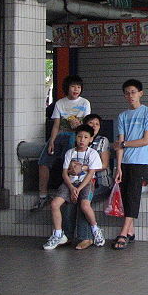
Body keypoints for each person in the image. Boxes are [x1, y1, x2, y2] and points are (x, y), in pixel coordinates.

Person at [32, 75, 90, 211]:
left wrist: (79, 125)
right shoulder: (60, 103)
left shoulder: (85, 103)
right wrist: (51, 140)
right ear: (67, 88)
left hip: (76, 136)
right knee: (43, 162)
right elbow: (56, 126)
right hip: (60, 136)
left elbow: (87, 125)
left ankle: (69, 192)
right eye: (73, 86)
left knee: (69, 163)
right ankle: (43, 196)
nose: (76, 89)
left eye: (79, 87)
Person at [42, 124, 104, 250]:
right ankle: (58, 234)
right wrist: (71, 188)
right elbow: (64, 172)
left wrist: (78, 189)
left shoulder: (93, 154)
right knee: (55, 204)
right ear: (75, 137)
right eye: (79, 136)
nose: (82, 140)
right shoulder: (70, 152)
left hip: (86, 184)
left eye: (86, 137)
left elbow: (91, 174)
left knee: (85, 205)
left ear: (91, 139)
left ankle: (95, 229)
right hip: (69, 183)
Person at [112, 79, 148, 250]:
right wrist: (118, 166)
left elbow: (145, 140)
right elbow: (120, 142)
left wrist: (123, 145)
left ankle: (123, 233)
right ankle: (131, 231)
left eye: (133, 92)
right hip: (125, 162)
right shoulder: (122, 116)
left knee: (132, 196)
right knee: (124, 196)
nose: (130, 95)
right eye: (127, 93)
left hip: (140, 161)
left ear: (140, 93)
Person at [62, 113, 112, 249]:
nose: (94, 126)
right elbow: (69, 165)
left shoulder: (103, 140)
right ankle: (67, 236)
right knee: (70, 199)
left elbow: (104, 164)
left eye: (97, 124)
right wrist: (73, 169)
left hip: (101, 184)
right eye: (91, 123)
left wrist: (83, 167)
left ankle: (87, 238)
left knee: (83, 201)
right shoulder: (77, 141)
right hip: (79, 183)